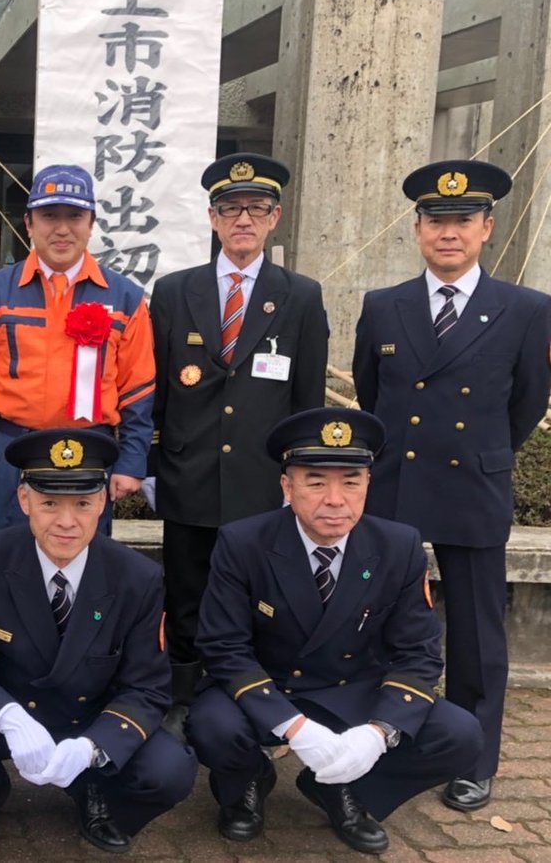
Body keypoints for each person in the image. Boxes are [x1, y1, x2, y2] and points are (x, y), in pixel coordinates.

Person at [188, 407, 484, 854]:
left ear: (368, 484)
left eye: (351, 481)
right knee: (212, 726)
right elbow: (223, 646)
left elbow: (418, 652)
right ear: (287, 486)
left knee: (460, 735)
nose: (335, 499)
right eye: (315, 482)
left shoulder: (399, 546)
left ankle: (345, 788)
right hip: (271, 685)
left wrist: (378, 733)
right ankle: (248, 779)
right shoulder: (243, 542)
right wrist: (294, 727)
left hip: (351, 688)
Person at [353, 159, 551, 812]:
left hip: (474, 485)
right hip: (398, 483)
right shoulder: (383, 306)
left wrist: (483, 452)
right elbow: (370, 395)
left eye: (463, 220)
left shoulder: (527, 310)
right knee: (378, 619)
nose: (448, 233)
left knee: (476, 633)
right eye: (436, 221)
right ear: (417, 229)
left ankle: (473, 757)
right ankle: (376, 739)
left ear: (486, 228)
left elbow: (527, 403)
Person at [0, 429, 197, 858]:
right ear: (24, 500)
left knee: (171, 770)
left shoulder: (137, 578)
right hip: (12, 712)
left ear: (102, 502)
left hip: (91, 719)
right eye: (50, 503)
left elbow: (147, 687)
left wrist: (95, 747)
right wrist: (8, 716)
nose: (66, 522)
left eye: (82, 504)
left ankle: (96, 789)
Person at [145, 152, 328, 734]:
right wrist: (152, 464)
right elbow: (155, 389)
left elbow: (307, 400)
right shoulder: (175, 291)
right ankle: (181, 695)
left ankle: (252, 696)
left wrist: (301, 477)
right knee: (186, 589)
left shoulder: (300, 296)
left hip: (261, 478)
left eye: (256, 208)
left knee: (259, 593)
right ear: (212, 218)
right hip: (188, 473)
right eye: (230, 209)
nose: (243, 219)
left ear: (275, 218)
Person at [0, 164, 156, 533]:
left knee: (84, 552)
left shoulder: (126, 298)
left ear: (91, 224)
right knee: (8, 552)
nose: (62, 229)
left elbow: (138, 389)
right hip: (14, 449)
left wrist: (131, 462)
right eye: (49, 216)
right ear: (29, 224)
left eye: (74, 216)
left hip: (92, 451)